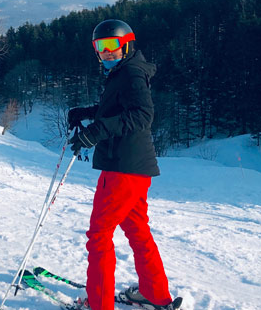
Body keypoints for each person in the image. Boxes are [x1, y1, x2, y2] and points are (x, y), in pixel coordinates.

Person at [66, 20, 181, 310]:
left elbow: (142, 115)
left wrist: (95, 132)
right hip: (135, 168)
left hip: (122, 168)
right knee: (137, 230)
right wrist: (88, 113)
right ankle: (155, 294)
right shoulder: (124, 71)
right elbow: (117, 109)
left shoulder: (130, 73)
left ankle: (99, 303)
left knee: (99, 235)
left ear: (126, 44)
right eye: (99, 48)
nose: (105, 53)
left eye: (111, 46)